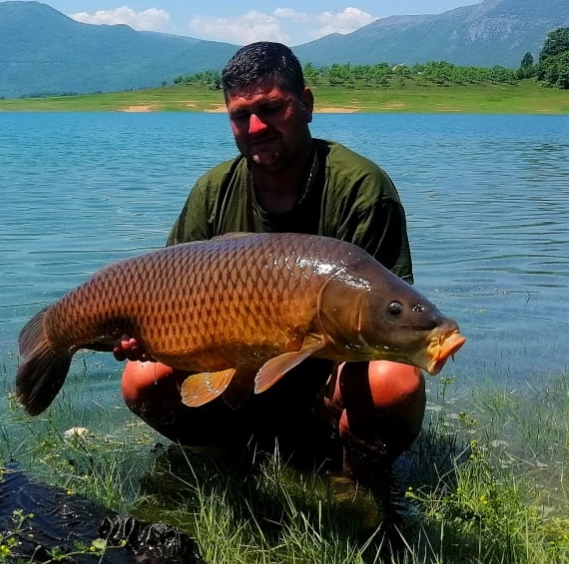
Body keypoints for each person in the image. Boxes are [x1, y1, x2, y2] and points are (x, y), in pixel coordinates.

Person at [114, 41, 425, 480]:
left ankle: (353, 485)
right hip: (234, 376)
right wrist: (143, 333)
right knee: (140, 380)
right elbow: (165, 293)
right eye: (241, 116)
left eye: (272, 108)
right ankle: (225, 464)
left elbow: (386, 320)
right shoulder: (214, 189)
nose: (256, 126)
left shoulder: (361, 188)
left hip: (325, 380)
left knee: (393, 382)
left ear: (307, 103)